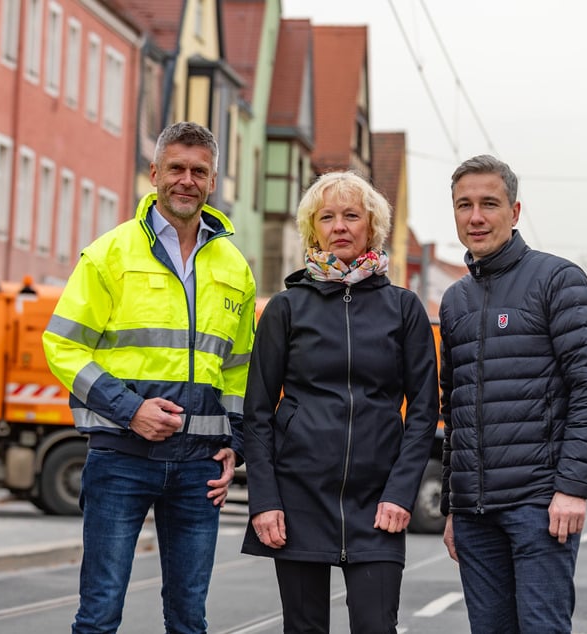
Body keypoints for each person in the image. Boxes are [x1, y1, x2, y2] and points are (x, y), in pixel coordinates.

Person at [42, 121, 256, 634]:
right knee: (99, 615)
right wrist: (130, 410)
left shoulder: (236, 268)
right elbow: (62, 345)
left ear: (213, 181)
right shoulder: (110, 253)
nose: (187, 180)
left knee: (189, 620)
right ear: (154, 172)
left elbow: (239, 368)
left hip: (199, 469)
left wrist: (236, 443)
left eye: (199, 171)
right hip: (121, 458)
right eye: (176, 168)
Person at [241, 171, 440, 633]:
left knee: (376, 626)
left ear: (372, 226)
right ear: (313, 229)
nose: (340, 227)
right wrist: (264, 500)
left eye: (351, 215)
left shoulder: (403, 308)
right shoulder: (286, 309)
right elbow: (257, 414)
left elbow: (423, 412)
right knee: (304, 628)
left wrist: (400, 493)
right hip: (299, 498)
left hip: (378, 503)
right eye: (326, 217)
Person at [438, 154, 587, 634]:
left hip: (539, 508)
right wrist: (452, 507)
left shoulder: (557, 281)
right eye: (464, 205)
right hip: (475, 515)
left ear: (514, 211)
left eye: (489, 204)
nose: (476, 217)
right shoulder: (454, 301)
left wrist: (573, 489)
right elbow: (454, 410)